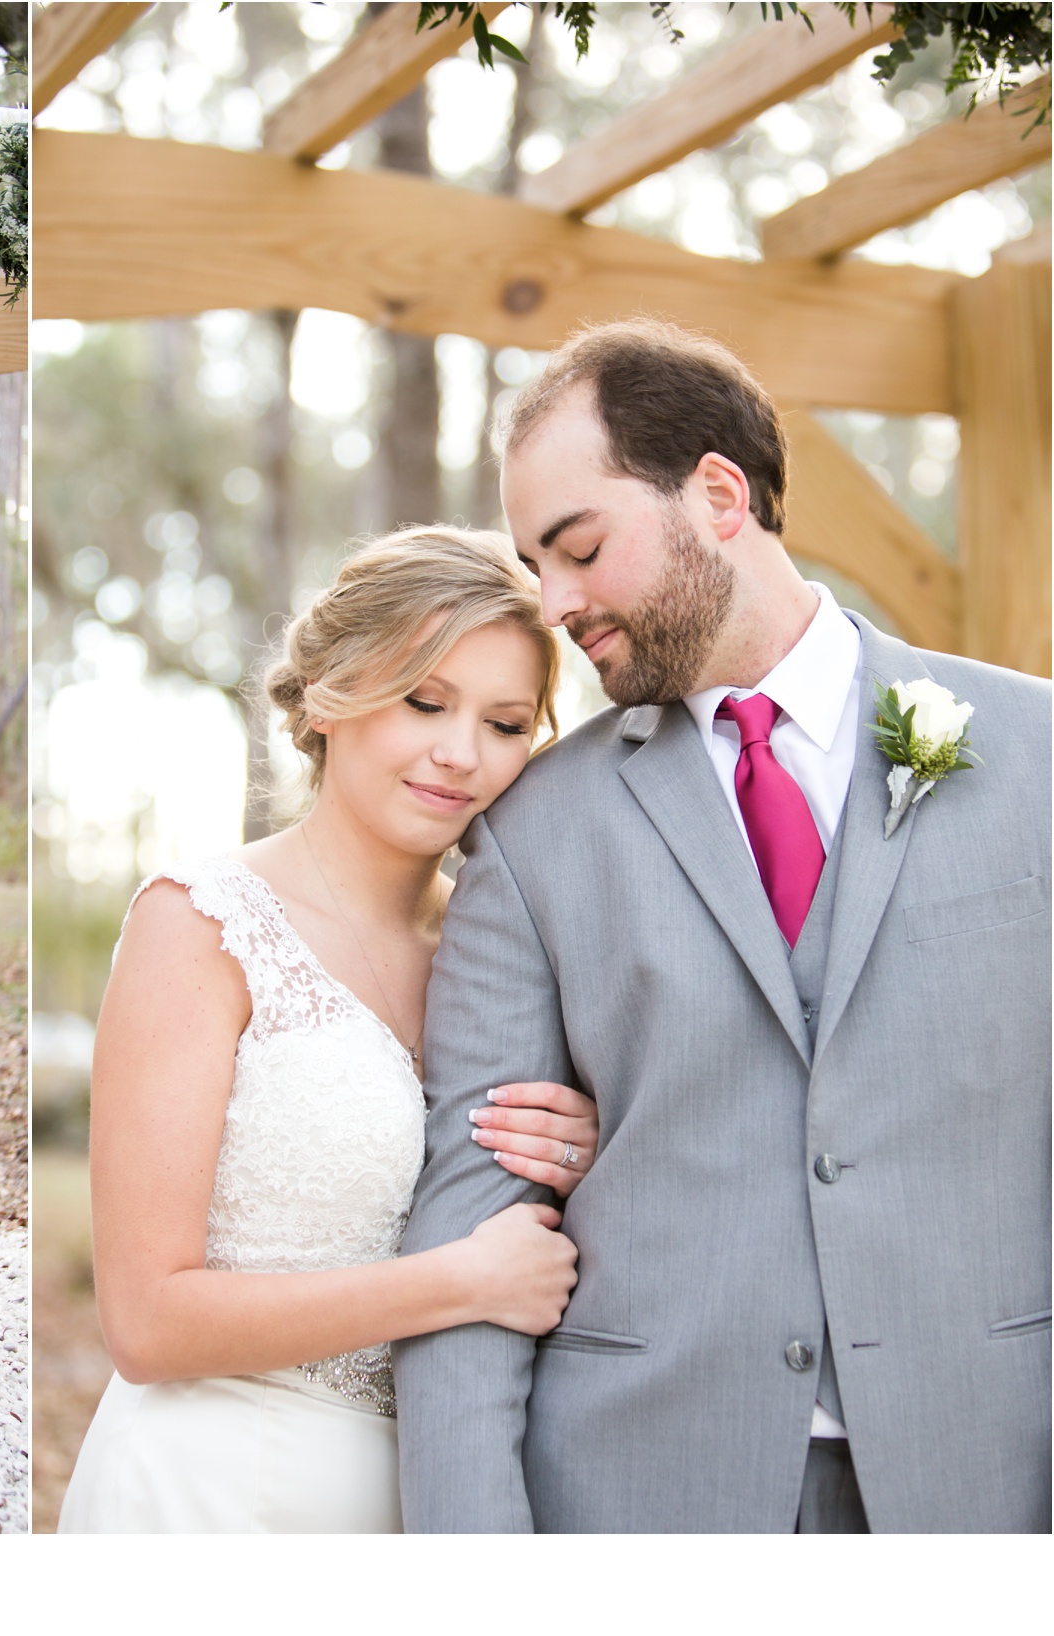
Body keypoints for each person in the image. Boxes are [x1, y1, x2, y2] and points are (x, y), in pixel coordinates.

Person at [395, 319, 1052, 1533]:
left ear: (715, 492)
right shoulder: (532, 829)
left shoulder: (1035, 756)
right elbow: (468, 1219)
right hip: (641, 1495)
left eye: (578, 548)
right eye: (536, 566)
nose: (554, 603)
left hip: (987, 1477)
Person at [58, 528, 598, 1533]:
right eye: (423, 701)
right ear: (325, 698)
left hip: (427, 1499)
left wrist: (586, 1152)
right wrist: (457, 1281)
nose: (459, 752)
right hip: (207, 1495)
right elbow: (143, 1320)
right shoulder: (198, 925)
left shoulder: (513, 958)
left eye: (504, 722)